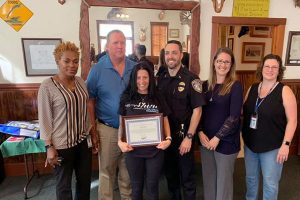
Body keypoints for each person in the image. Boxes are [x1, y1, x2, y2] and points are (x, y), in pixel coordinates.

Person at [38, 41, 94, 200]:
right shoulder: (47, 86)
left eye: (76, 61)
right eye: (67, 61)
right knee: (64, 187)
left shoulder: (81, 82)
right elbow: (45, 118)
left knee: (84, 183)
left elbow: (85, 111)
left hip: (83, 143)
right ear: (57, 61)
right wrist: (49, 146)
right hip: (61, 146)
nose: (72, 65)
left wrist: (92, 134)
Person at [86, 30, 136, 200]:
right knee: (106, 174)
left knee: (128, 173)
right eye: (115, 42)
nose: (120, 46)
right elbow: (90, 101)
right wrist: (93, 131)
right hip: (107, 130)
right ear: (107, 46)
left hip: (131, 130)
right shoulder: (97, 69)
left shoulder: (134, 68)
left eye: (123, 42)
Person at [242, 54, 297, 200]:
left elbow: (293, 120)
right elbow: (244, 111)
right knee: (250, 180)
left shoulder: (285, 91)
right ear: (262, 68)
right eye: (267, 66)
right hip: (250, 145)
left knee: (270, 183)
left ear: (279, 71)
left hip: (272, 148)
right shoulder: (253, 88)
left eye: (274, 67)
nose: (270, 70)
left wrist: (286, 144)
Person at [157, 40, 206, 200]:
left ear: (181, 55)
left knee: (187, 178)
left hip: (184, 136)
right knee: (171, 177)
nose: (170, 56)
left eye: (174, 53)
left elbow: (197, 111)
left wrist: (189, 137)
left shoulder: (192, 79)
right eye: (167, 53)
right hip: (166, 137)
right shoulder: (160, 78)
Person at [118, 62, 172, 200]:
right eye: (138, 77)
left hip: (155, 151)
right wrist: (120, 141)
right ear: (133, 79)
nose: (142, 81)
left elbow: (165, 119)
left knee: (153, 188)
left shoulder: (158, 96)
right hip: (133, 151)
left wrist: (169, 139)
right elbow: (122, 124)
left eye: (145, 77)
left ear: (150, 78)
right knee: (136, 188)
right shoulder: (126, 98)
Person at [198, 47, 243, 200]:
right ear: (214, 63)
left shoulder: (235, 86)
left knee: (223, 184)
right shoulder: (205, 86)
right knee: (209, 180)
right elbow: (199, 113)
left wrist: (217, 137)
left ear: (231, 65)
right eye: (219, 61)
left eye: (227, 62)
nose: (222, 65)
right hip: (205, 140)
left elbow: (234, 117)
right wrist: (200, 132)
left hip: (226, 142)